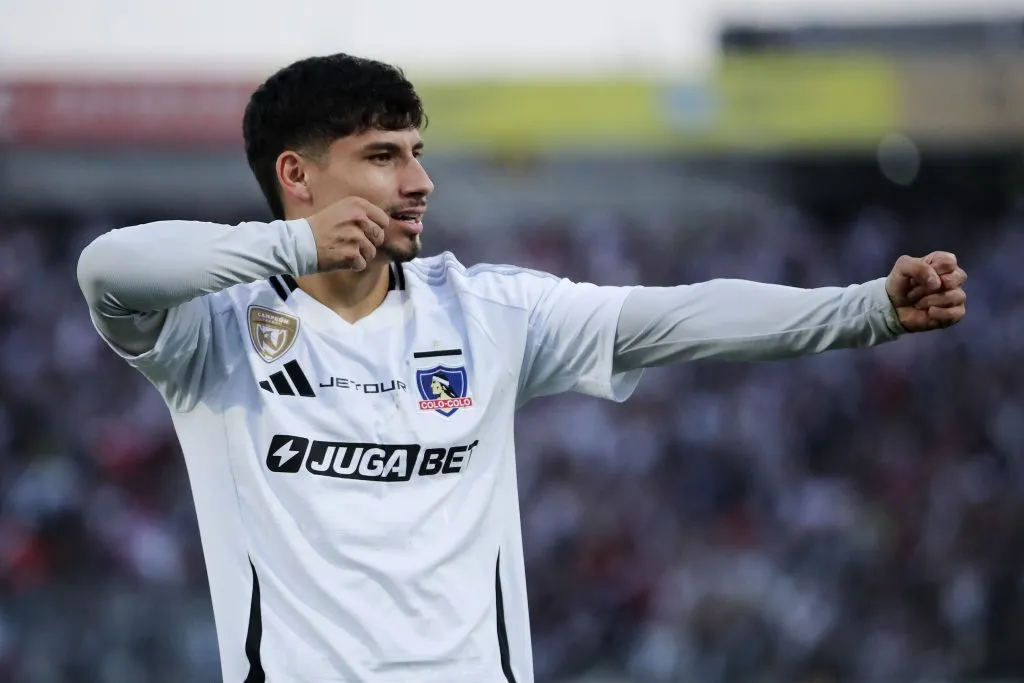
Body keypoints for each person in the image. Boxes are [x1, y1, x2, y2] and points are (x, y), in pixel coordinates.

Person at [76, 54, 967, 683]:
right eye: (383, 157)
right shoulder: (214, 333)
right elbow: (106, 268)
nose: (418, 180)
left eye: (417, 151)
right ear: (296, 175)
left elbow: (678, 315)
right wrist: (288, 245)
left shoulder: (487, 311)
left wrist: (865, 308)